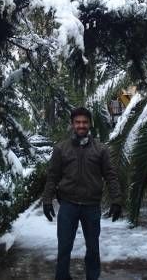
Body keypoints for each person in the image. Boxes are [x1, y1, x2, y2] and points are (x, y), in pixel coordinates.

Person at [42, 107, 122, 280]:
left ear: (90, 124)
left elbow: (111, 176)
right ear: (72, 124)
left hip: (91, 207)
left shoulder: (101, 150)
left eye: (84, 122)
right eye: (77, 122)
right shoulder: (61, 149)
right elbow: (52, 176)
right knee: (64, 247)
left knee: (93, 248)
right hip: (68, 206)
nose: (81, 125)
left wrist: (117, 200)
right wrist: (47, 200)